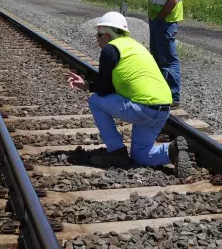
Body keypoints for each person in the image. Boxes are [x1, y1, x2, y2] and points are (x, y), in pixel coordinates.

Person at [67, 12, 190, 176]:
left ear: (108, 35)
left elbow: (104, 90)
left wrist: (88, 87)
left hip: (142, 107)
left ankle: (116, 151)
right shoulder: (136, 47)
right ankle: (171, 150)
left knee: (95, 101)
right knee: (140, 156)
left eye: (99, 34)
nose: (97, 38)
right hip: (162, 109)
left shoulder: (110, 50)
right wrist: (87, 84)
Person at [146, 0, 184, 107]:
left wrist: (160, 16)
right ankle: (162, 91)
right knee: (158, 57)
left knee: (168, 59)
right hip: (158, 21)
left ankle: (173, 96)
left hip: (165, 22)